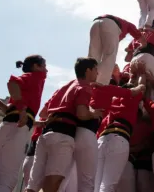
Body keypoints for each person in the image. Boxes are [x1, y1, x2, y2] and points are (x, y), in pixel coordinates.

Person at [26, 57, 101, 192]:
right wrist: (94, 114)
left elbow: (43, 113)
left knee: (33, 184)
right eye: (96, 69)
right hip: (62, 136)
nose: (98, 73)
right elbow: (81, 114)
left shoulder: (63, 88)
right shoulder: (84, 87)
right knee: (54, 181)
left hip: (45, 136)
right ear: (88, 70)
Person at [0, 55, 47, 192]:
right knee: (7, 182)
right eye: (44, 66)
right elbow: (13, 83)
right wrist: (22, 110)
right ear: (36, 67)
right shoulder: (34, 77)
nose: (47, 70)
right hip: (16, 129)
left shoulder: (33, 81)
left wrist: (35, 122)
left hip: (7, 127)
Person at [94, 81, 146, 192]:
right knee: (108, 184)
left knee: (96, 184)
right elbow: (142, 87)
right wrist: (141, 83)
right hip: (119, 138)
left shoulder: (113, 101)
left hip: (102, 139)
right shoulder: (133, 98)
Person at [89, 14, 147, 85]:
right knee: (109, 57)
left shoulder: (120, 26)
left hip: (95, 23)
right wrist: (144, 44)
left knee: (92, 57)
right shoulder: (127, 24)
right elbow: (137, 34)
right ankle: (101, 85)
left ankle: (87, 82)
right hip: (110, 25)